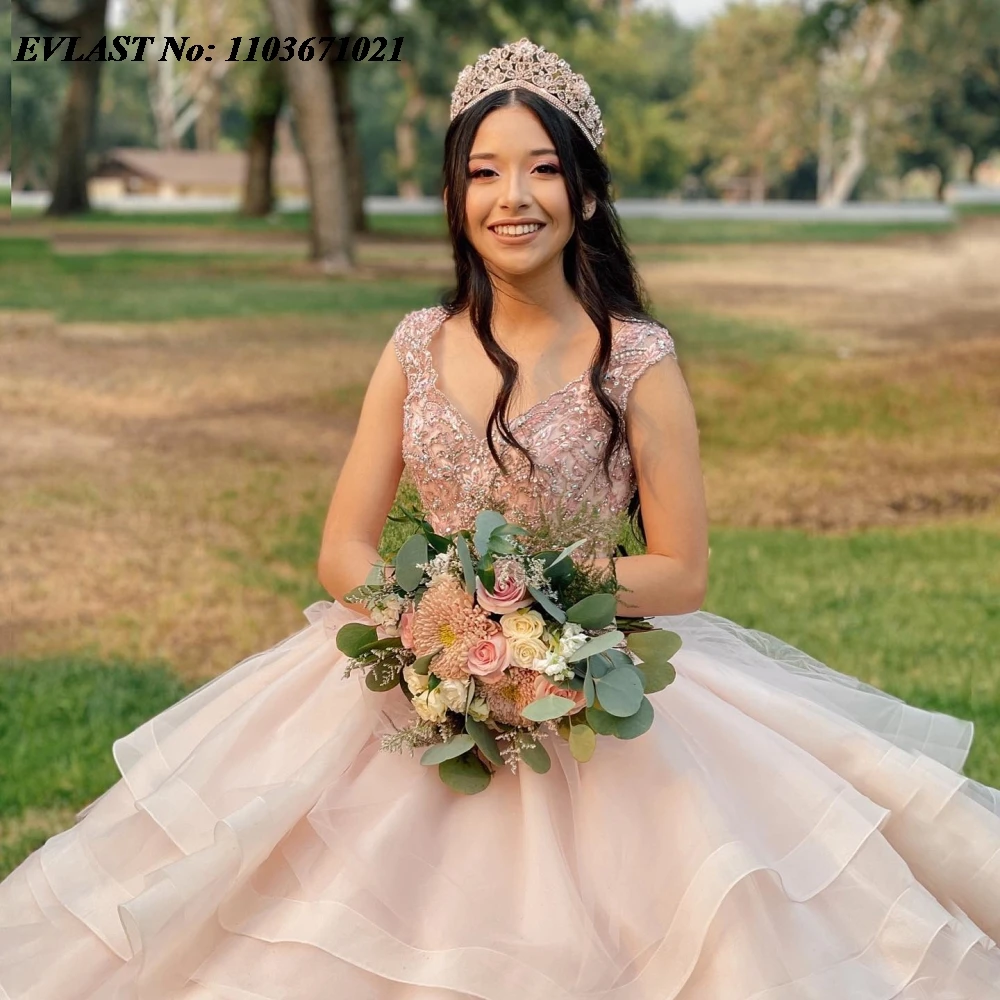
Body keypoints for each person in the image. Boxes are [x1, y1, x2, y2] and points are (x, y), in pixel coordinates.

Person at [1, 37, 998, 1000]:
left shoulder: (636, 358)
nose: (511, 198)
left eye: (541, 171)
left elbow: (681, 569)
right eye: (482, 172)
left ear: (587, 192)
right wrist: (437, 624)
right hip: (418, 671)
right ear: (452, 196)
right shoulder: (414, 345)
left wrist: (538, 612)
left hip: (593, 683)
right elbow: (341, 547)